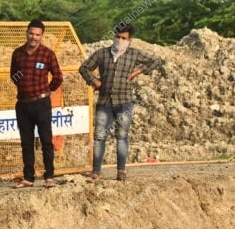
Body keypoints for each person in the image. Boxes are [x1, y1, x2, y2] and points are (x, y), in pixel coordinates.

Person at [79, 23, 161, 181]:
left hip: (124, 101)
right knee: (100, 137)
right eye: (118, 36)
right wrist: (94, 81)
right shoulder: (102, 54)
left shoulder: (134, 54)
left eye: (124, 38)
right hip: (104, 101)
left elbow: (156, 61)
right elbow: (84, 68)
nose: (120, 40)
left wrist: (139, 71)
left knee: (122, 136)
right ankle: (96, 171)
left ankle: (121, 171)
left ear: (129, 40)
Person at [10, 19, 63, 189]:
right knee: (26, 142)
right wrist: (24, 87)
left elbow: (58, 77)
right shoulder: (17, 53)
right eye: (31, 33)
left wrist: (46, 91)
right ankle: (28, 178)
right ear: (27, 33)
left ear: (42, 36)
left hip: (41, 103)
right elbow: (13, 75)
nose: (34, 37)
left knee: (46, 141)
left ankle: (49, 176)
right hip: (23, 104)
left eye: (37, 34)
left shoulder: (47, 54)